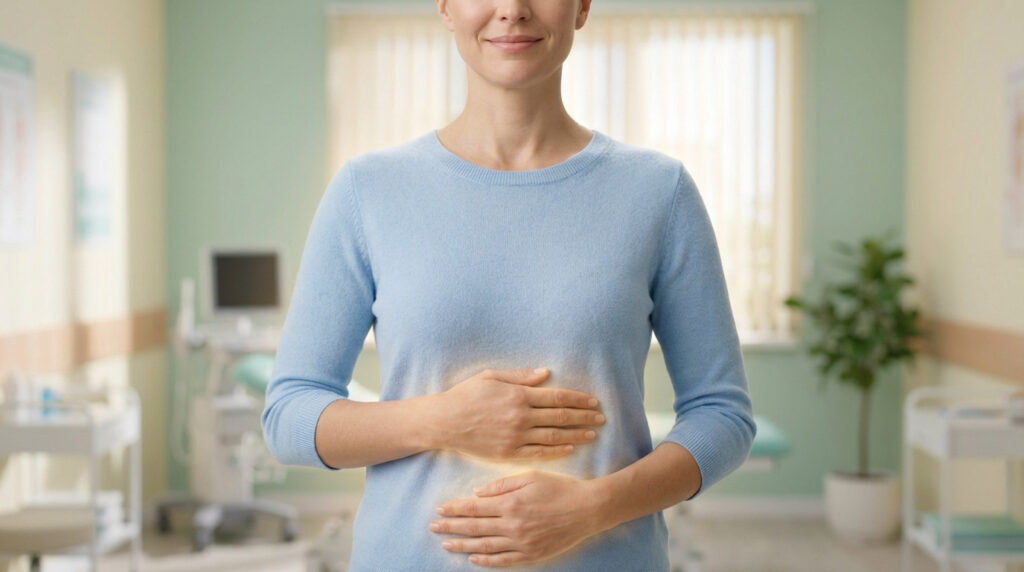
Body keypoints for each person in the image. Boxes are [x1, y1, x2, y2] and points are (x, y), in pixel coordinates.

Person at [261, 0, 756, 569]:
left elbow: (723, 416)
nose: (513, 10)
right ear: (446, 7)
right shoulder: (366, 191)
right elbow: (289, 417)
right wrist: (445, 419)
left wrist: (593, 508)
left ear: (582, 6)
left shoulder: (658, 192)